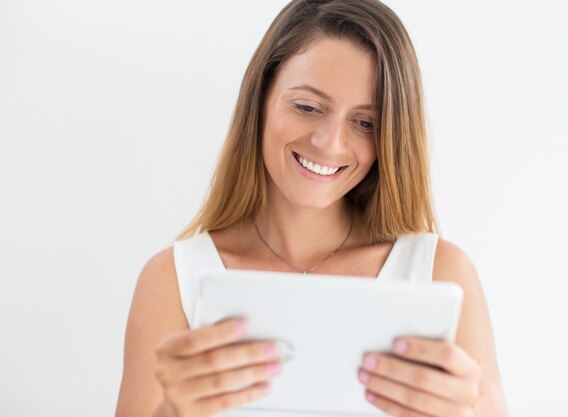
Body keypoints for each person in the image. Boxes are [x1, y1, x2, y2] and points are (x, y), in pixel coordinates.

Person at [115, 0, 509, 416]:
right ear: (261, 97)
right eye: (307, 107)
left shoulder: (439, 272)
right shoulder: (174, 279)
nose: (329, 143)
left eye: (365, 123)